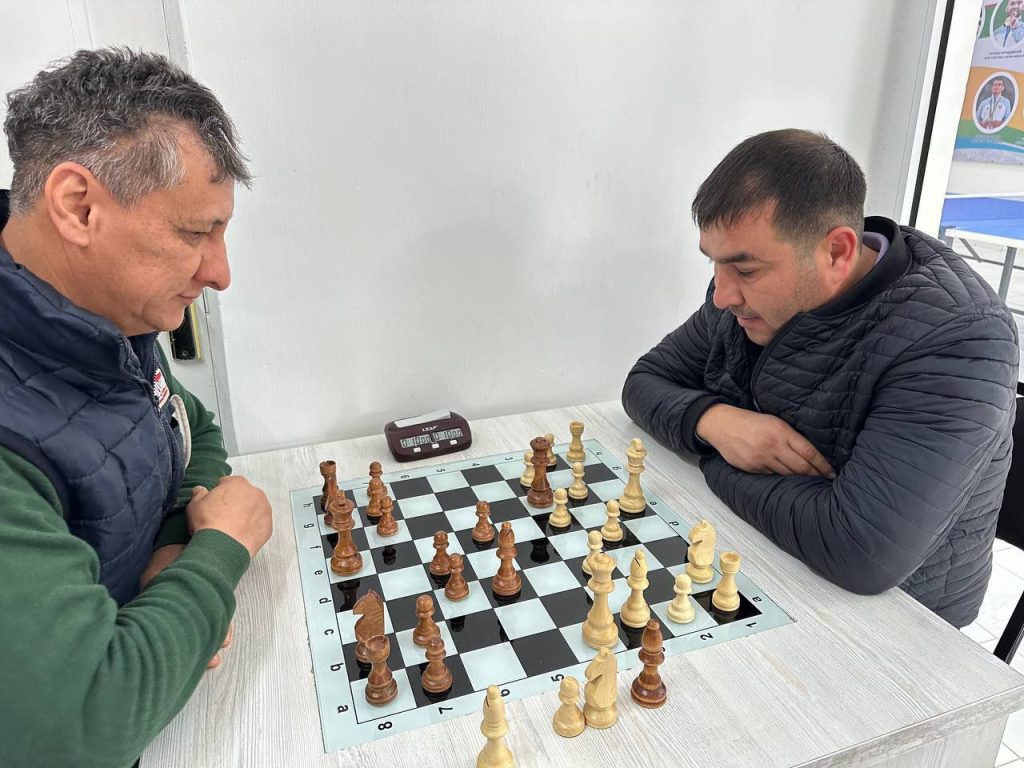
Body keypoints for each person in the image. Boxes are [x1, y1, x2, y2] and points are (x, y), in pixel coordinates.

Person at [622, 129, 1018, 629]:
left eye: (745, 270)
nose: (721, 295)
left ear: (837, 252)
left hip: (899, 626)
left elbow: (861, 551)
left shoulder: (960, 338)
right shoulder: (745, 300)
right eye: (714, 262)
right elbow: (645, 381)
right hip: (763, 557)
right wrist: (717, 422)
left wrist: (714, 456)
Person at [0, 49, 273, 767]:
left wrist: (173, 548)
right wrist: (219, 552)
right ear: (78, 206)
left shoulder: (104, 320)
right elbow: (83, 730)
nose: (220, 273)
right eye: (194, 233)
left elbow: (193, 431)